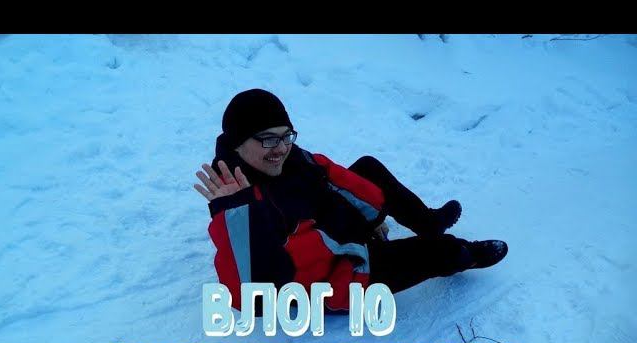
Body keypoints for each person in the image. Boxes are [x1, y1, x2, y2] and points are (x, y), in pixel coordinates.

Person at [194, 89, 508, 311]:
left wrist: (370, 216)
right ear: (238, 143)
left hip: (341, 230)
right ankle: (465, 254)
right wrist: (232, 214)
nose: (280, 148)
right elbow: (251, 292)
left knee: (367, 167)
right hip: (336, 275)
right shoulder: (237, 200)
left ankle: (427, 222)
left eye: (285, 135)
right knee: (437, 252)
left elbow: (331, 178)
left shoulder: (286, 159)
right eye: (268, 139)